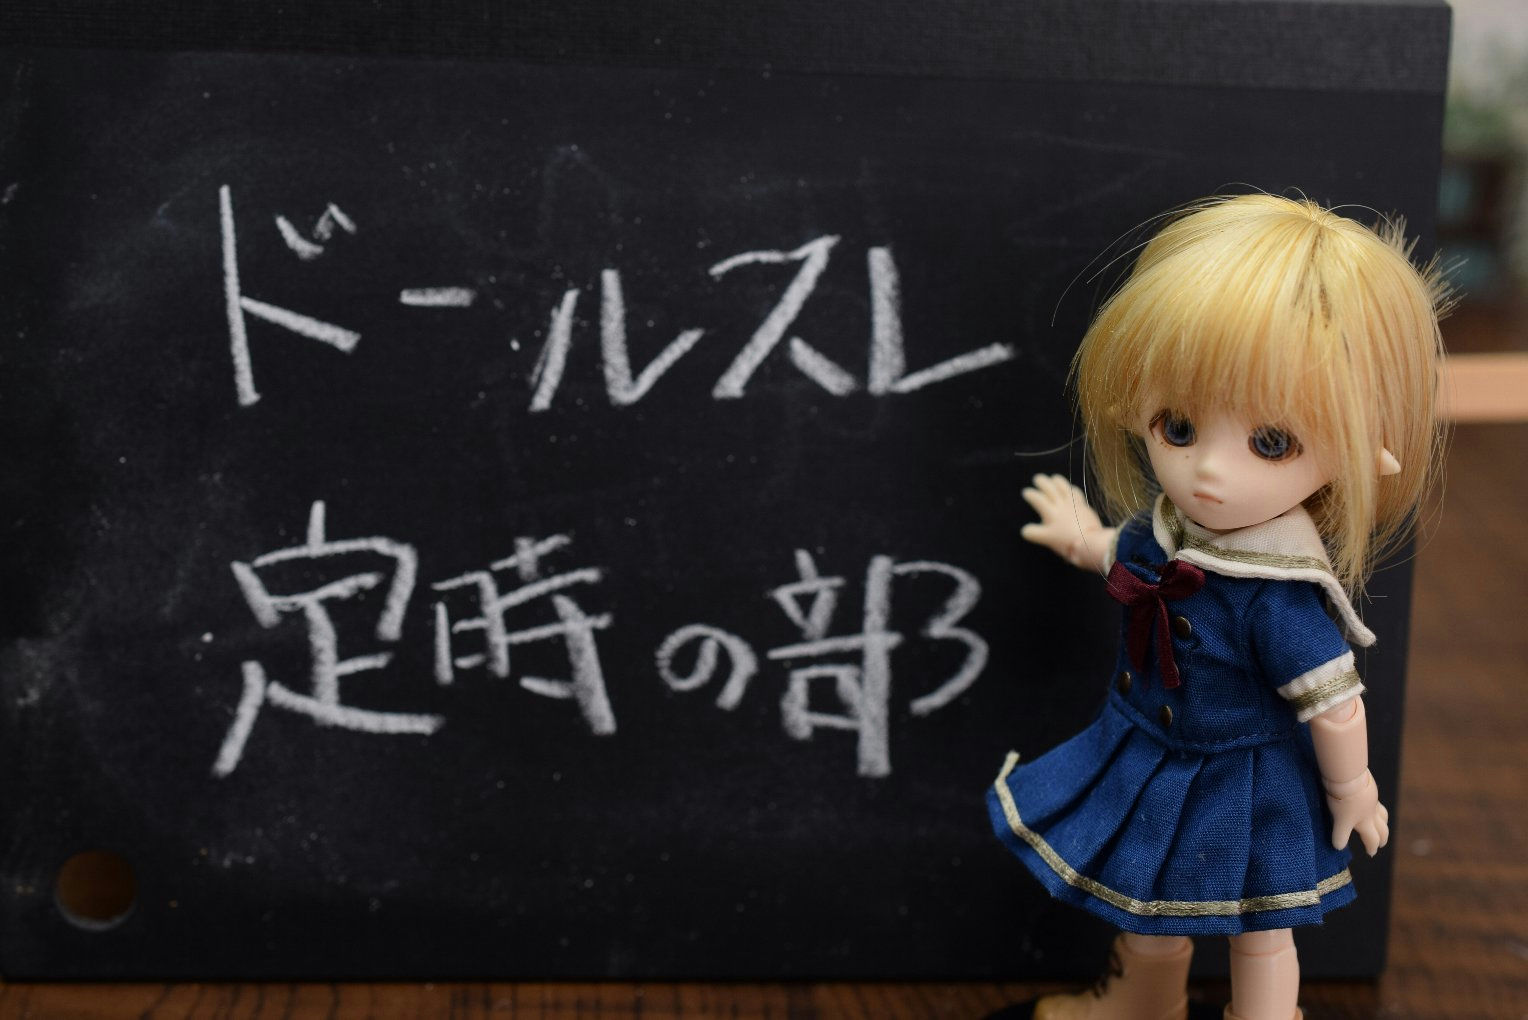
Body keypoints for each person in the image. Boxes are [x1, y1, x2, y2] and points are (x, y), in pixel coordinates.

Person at [988, 194, 1448, 1020]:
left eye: (1272, 443)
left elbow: (1335, 702)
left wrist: (1352, 786)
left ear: (1365, 451)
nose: (1208, 472)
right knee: (1145, 905)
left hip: (1246, 775)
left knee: (1262, 932)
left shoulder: (1277, 593)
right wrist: (1083, 537)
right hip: (1148, 749)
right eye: (1178, 425)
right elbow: (1125, 555)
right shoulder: (1167, 529)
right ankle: (1141, 1007)